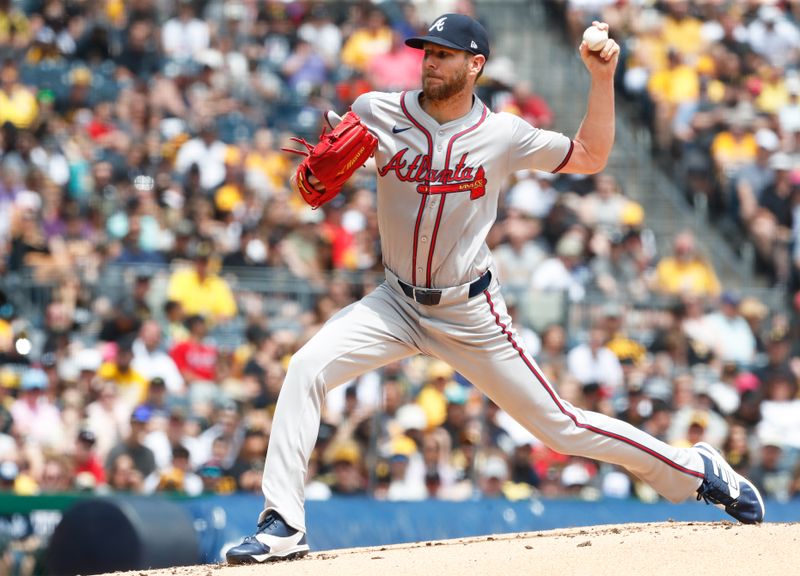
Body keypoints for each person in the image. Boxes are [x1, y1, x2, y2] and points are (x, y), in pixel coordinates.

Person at [226, 14, 764, 565]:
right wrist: (321, 175)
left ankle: (696, 470)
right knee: (305, 367)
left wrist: (601, 79)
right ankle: (283, 524)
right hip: (394, 303)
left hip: (468, 311)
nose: (430, 61)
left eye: (444, 53)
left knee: (561, 427)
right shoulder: (376, 110)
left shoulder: (502, 134)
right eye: (426, 52)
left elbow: (590, 156)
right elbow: (318, 179)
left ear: (474, 65)